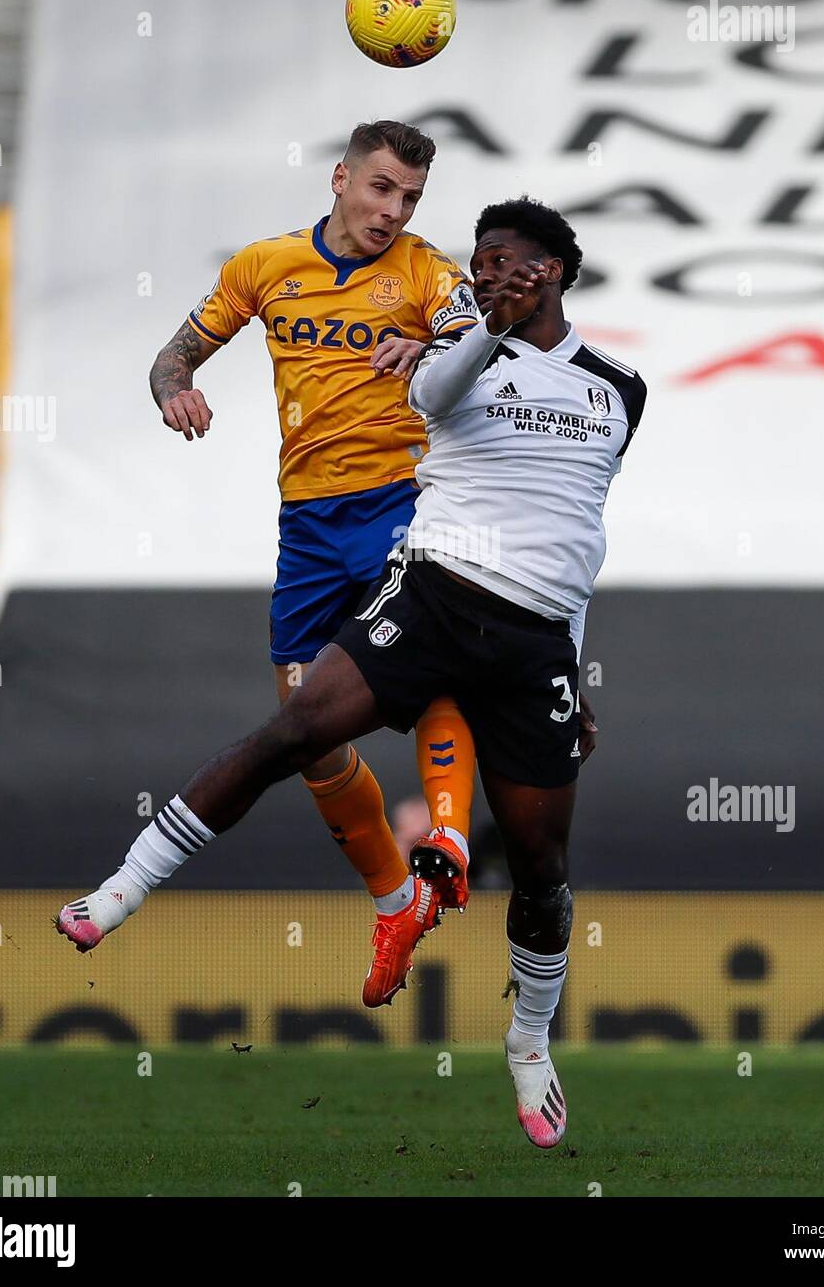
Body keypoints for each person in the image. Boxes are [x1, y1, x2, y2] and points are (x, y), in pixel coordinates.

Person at [57, 198, 646, 1147]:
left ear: (555, 273)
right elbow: (430, 400)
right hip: (436, 596)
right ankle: (122, 888)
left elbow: (580, 536)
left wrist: (574, 672)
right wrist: (481, 324)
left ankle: (529, 1045)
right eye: (479, 258)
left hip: (538, 636)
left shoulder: (618, 388)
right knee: (295, 728)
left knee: (541, 864)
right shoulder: (457, 342)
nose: (486, 271)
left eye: (507, 261)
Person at [56, 121, 481, 1007]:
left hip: (403, 502)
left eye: (408, 198)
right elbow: (173, 352)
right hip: (308, 527)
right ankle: (396, 900)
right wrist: (176, 387)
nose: (391, 210)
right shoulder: (263, 266)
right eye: (379, 189)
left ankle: (447, 840)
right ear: (339, 178)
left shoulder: (423, 268)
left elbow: (475, 335)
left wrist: (432, 347)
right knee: (305, 730)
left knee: (434, 665)